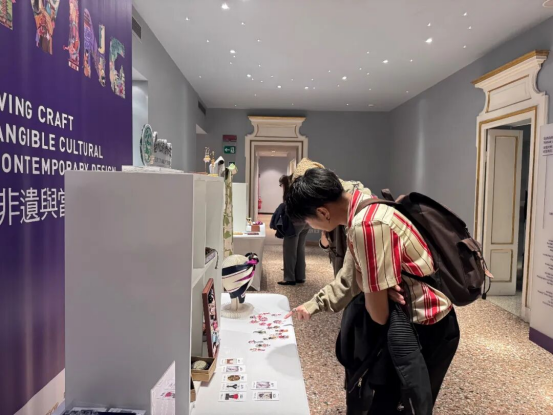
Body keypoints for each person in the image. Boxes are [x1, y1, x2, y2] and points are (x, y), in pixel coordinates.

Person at [286, 167, 460, 414]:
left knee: (402, 405)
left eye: (308, 220)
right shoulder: (367, 206)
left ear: (323, 212)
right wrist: (373, 284)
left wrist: (371, 287)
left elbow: (378, 313)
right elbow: (358, 278)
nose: (310, 225)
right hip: (425, 319)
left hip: (424, 327)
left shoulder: (365, 225)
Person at [270, 175, 310, 286]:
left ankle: (289, 278)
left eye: (281, 185)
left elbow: (289, 208)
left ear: (285, 184)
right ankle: (300, 276)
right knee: (300, 249)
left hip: (294, 224)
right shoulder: (302, 188)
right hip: (306, 222)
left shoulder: (291, 191)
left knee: (289, 250)